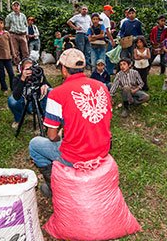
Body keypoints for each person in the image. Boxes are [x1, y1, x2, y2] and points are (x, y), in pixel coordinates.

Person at [29, 49, 112, 197]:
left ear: (64, 69)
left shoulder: (56, 94)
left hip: (76, 156)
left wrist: (61, 134)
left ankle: (54, 188)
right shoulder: (102, 87)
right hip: (102, 150)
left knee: (35, 145)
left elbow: (52, 136)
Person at [8, 58, 51, 129]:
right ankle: (18, 119)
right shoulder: (17, 78)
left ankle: (45, 119)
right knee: (11, 100)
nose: (30, 71)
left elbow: (48, 88)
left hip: (38, 103)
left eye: (32, 68)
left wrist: (45, 85)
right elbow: (16, 96)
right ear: (21, 70)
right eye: (27, 69)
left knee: (50, 91)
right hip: (25, 103)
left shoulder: (38, 76)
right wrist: (22, 79)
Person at [5, 1, 29, 66]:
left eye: (17, 5)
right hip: (13, 35)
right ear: (12, 7)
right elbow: (7, 26)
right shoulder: (9, 16)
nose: (16, 7)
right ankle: (18, 66)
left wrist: (26, 35)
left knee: (25, 51)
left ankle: (26, 65)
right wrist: (11, 34)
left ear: (19, 7)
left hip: (23, 35)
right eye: (14, 5)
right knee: (15, 52)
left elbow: (26, 25)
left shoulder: (23, 16)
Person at [100, 5, 116, 75]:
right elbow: (107, 31)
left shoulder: (99, 16)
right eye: (110, 12)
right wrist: (112, 40)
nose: (110, 13)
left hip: (99, 39)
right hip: (106, 38)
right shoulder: (106, 18)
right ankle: (108, 71)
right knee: (109, 55)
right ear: (106, 10)